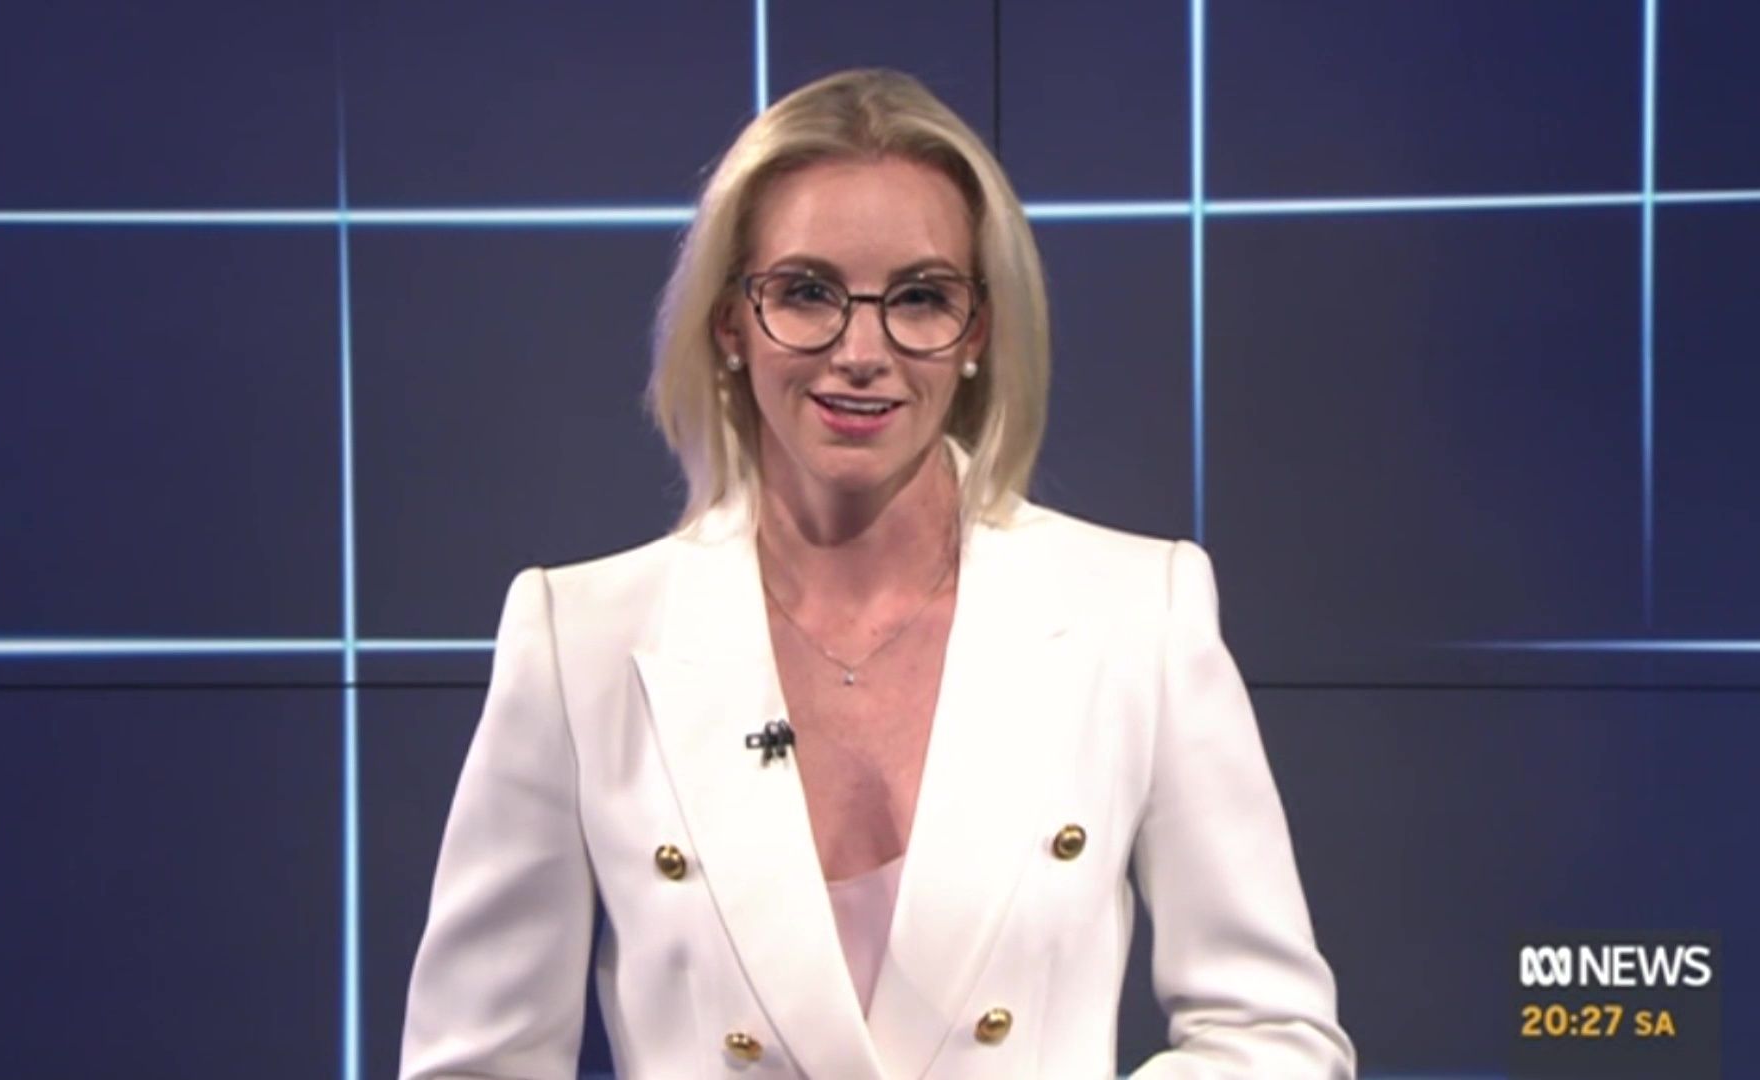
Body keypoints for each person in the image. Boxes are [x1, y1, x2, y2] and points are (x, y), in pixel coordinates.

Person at [398, 68, 1355, 1079]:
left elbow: (1275, 1037)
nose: (862, 351)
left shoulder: (1135, 613)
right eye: (807, 293)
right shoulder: (581, 640)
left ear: (977, 332)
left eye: (921, 298)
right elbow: (475, 1062)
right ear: (730, 323)